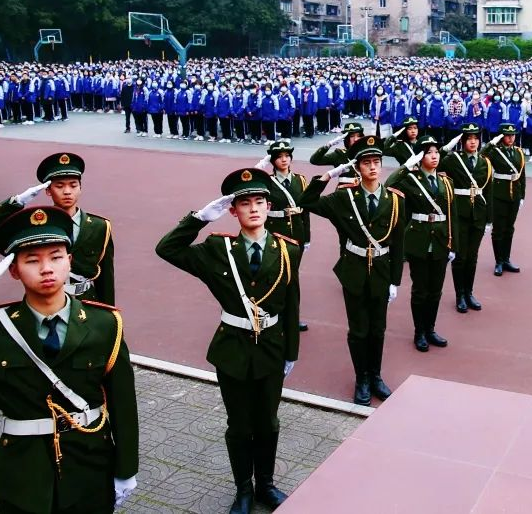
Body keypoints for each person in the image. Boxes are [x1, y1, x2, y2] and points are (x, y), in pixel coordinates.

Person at [0, 207, 138, 513]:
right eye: (32, 260)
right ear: (13, 270)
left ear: (70, 260)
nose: (46, 269)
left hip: (91, 466)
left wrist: (126, 469)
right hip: (23, 474)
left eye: (56, 256)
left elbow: (123, 402)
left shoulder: (104, 324)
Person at [155, 168, 301, 514]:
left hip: (271, 347)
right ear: (232, 211)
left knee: (268, 422)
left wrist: (291, 351)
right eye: (244, 203)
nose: (254, 208)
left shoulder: (288, 250)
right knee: (239, 425)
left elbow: (292, 302)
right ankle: (243, 490)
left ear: (269, 206)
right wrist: (199, 218)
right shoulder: (216, 250)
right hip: (232, 350)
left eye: (260, 202)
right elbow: (167, 249)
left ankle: (265, 484)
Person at [299, 136, 405, 406]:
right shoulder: (344, 198)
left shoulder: (395, 201)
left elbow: (398, 243)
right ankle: (362, 378)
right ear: (357, 167)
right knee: (359, 330)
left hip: (381, 270)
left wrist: (396, 280)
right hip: (354, 270)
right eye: (366, 162)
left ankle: (376, 375)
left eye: (376, 162)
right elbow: (307, 202)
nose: (372, 167)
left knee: (378, 329)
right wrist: (327, 175)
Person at [0, 153, 115, 305]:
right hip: (44, 302)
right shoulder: (36, 227)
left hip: (86, 303)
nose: (67, 191)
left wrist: (111, 319)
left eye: (73, 185)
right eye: (59, 186)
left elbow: (105, 280)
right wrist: (18, 201)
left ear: (80, 188)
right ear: (48, 191)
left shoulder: (100, 226)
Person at [385, 135, 457, 352]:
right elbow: (389, 185)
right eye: (428, 153)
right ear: (419, 156)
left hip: (441, 241)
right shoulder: (410, 180)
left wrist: (454, 245)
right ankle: (419, 332)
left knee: (436, 291)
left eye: (436, 152)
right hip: (418, 240)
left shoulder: (446, 181)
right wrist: (406, 167)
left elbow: (452, 214)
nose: (434, 156)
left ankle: (430, 329)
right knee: (420, 291)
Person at [256, 140, 311, 332]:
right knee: (275, 277)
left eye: (287, 156)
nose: (284, 160)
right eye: (279, 157)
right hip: (276, 234)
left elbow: (306, 210)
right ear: (273, 160)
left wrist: (308, 237)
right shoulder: (266, 183)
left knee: (292, 279)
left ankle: (292, 318)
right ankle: (271, 314)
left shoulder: (300, 181)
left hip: (297, 236)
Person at [440, 124, 493, 312]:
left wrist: (489, 219)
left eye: (475, 138)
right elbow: (434, 158)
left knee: (473, 257)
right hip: (459, 213)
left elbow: (488, 191)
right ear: (462, 142)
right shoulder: (454, 159)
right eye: (469, 139)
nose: (473, 142)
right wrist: (448, 145)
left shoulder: (485, 162)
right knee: (460, 257)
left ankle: (469, 292)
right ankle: (459, 294)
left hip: (478, 214)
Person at [481, 123, 526, 276]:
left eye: (513, 135)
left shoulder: (518, 152)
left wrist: (522, 196)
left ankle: (506, 259)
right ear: (501, 137)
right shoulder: (495, 152)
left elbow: (522, 175)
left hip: (515, 194)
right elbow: (482, 153)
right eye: (507, 135)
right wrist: (493, 141)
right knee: (498, 229)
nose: (511, 138)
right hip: (499, 194)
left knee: (509, 228)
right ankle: (498, 261)